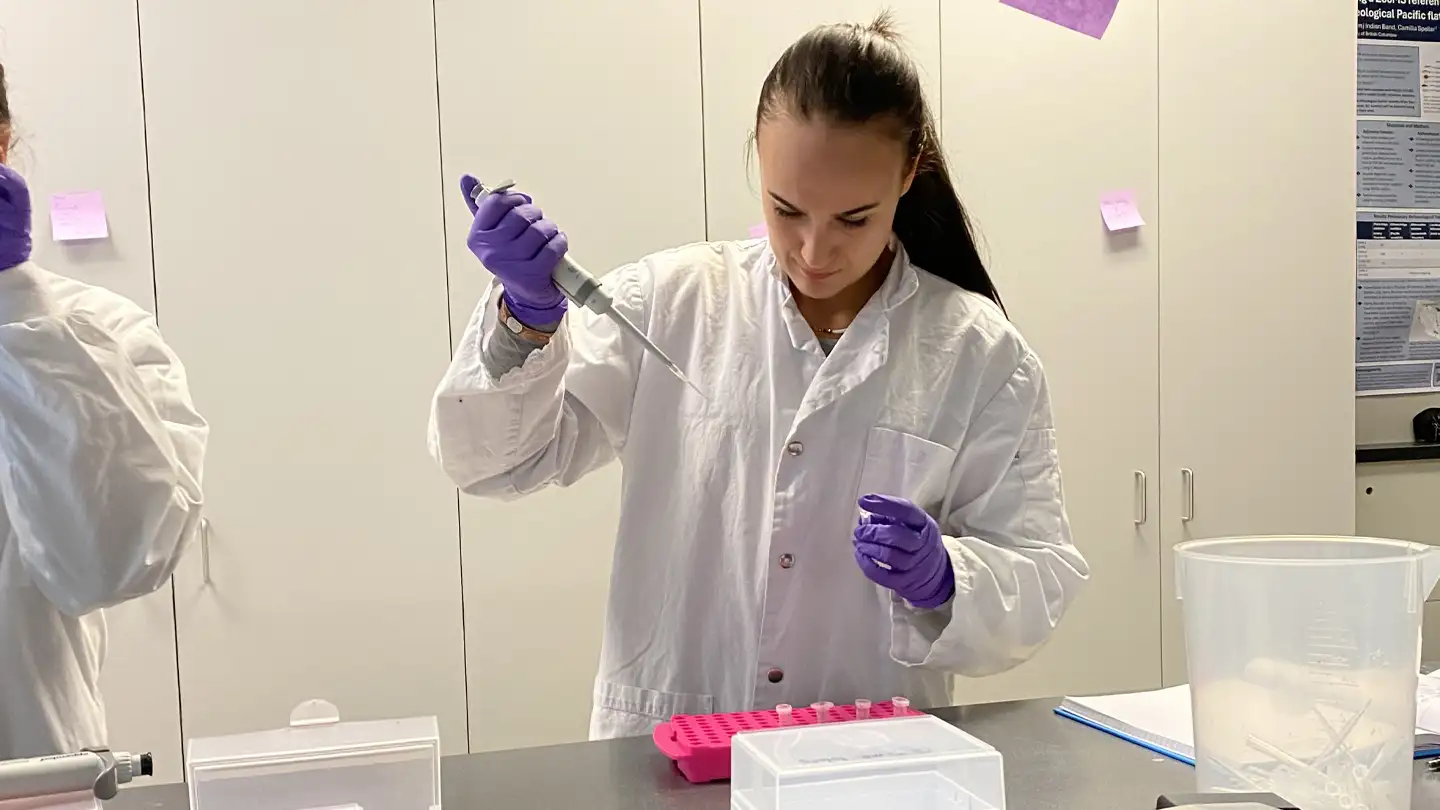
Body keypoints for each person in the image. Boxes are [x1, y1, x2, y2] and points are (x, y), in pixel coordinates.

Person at [429, 15, 1088, 740]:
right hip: (672, 746)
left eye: (854, 218)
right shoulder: (671, 302)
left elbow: (1038, 574)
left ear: (908, 174)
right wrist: (526, 320)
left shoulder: (979, 354)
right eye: (786, 209)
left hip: (867, 756)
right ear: (758, 159)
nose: (814, 250)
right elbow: (494, 464)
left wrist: (947, 577)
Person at [0, 62, 208, 758]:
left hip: (24, 780)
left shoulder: (99, 334)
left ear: (1, 145)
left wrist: (15, 309)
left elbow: (111, 564)